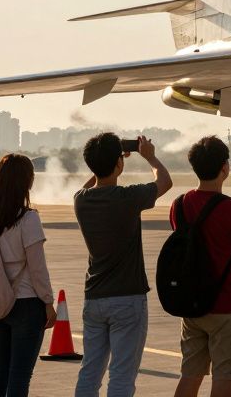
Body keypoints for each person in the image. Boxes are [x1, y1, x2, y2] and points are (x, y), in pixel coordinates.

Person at [73, 133, 172, 397]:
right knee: (122, 375)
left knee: (90, 371)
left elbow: (89, 186)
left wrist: (104, 166)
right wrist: (149, 156)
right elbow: (164, 182)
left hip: (94, 297)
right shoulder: (127, 198)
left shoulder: (81, 200)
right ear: (119, 164)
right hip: (127, 298)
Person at [170, 137, 231, 397]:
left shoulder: (179, 205)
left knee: (190, 375)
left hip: (192, 303)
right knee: (223, 378)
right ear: (225, 168)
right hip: (227, 304)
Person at [0, 154, 55, 397]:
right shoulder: (28, 218)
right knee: (20, 375)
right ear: (26, 182)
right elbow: (37, 268)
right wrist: (48, 301)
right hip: (27, 302)